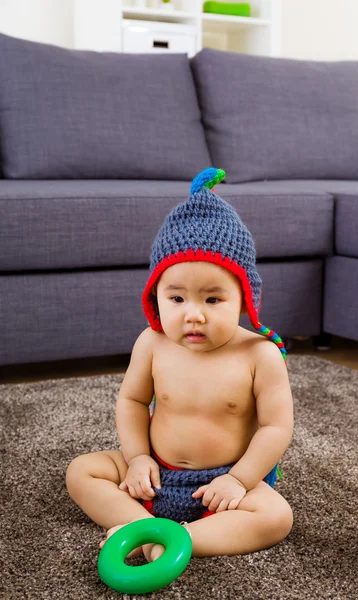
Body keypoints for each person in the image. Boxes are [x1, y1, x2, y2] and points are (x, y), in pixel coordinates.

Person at [66, 167, 294, 563]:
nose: (194, 315)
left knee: (276, 516)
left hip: (220, 484)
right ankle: (139, 524)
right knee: (82, 471)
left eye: (212, 299)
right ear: (156, 296)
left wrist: (240, 479)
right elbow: (133, 401)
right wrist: (137, 457)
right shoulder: (152, 343)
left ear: (245, 299)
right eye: (177, 299)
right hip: (153, 474)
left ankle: (180, 537)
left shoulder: (259, 355)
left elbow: (277, 427)